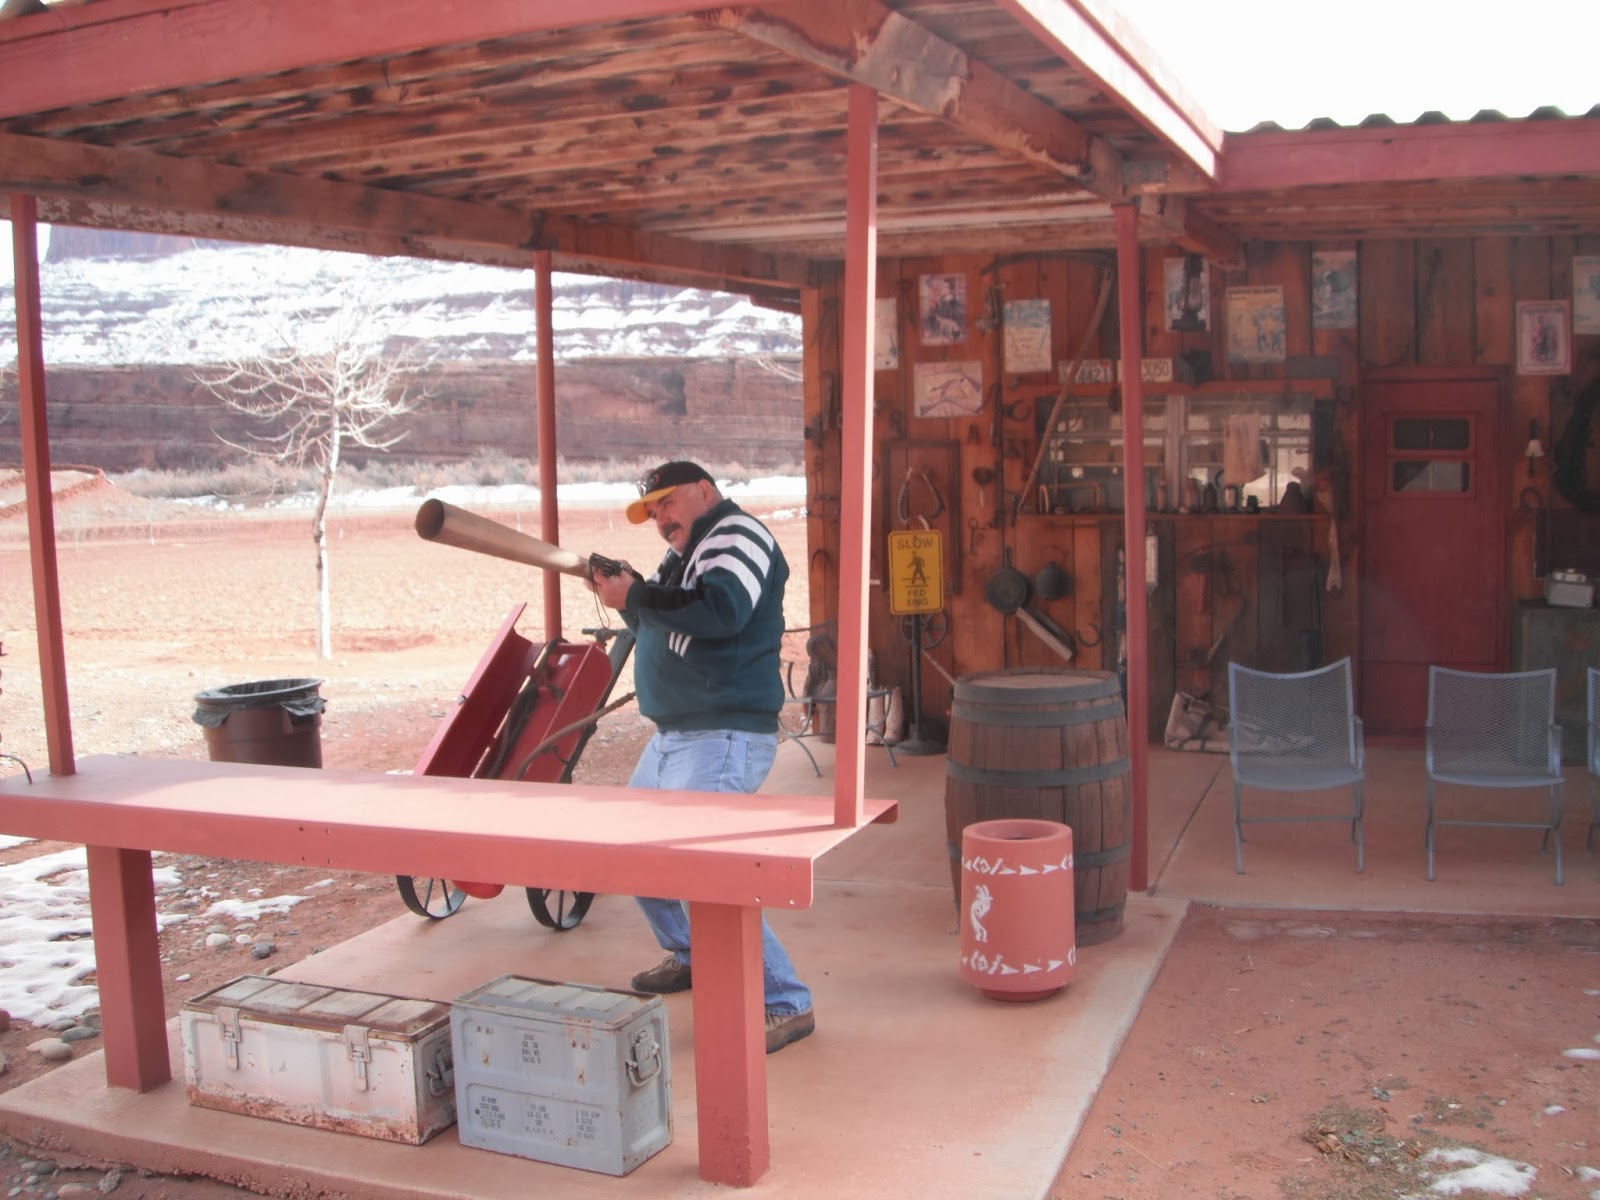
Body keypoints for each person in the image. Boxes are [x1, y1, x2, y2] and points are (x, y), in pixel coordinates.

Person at [588, 460, 815, 1055]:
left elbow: (722, 613)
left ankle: (785, 1002)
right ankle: (693, 952)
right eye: (653, 511)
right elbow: (660, 617)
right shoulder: (687, 554)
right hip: (678, 735)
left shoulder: (735, 535)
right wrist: (630, 593)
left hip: (722, 733)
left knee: (707, 875)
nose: (661, 518)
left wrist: (636, 592)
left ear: (705, 492)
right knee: (635, 856)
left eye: (668, 502)